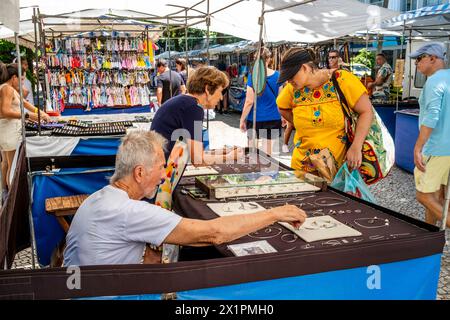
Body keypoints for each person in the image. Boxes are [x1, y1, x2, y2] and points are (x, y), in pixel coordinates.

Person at [63, 130, 306, 266]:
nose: (164, 174)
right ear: (139, 172)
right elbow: (213, 233)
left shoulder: (99, 197)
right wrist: (275, 214)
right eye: (160, 167)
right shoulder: (130, 212)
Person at [275, 48, 373, 177]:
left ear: (304, 68)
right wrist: (302, 124)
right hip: (302, 168)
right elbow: (281, 106)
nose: (289, 81)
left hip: (336, 169)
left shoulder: (341, 79)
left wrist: (356, 146)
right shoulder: (292, 89)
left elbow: (366, 112)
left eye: (291, 76)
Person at [151, 66, 240, 164]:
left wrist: (221, 153)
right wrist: (230, 157)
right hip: (160, 171)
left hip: (157, 166)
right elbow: (198, 160)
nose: (221, 98)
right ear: (207, 89)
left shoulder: (186, 103)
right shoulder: (194, 108)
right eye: (220, 92)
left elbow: (196, 152)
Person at [410, 43, 450, 228]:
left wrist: (418, 147)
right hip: (446, 147)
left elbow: (432, 116)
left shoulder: (434, 81)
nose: (416, 63)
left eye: (419, 58)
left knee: (424, 195)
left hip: (436, 147)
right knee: (440, 196)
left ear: (432, 58)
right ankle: (431, 235)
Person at [0, 63, 50, 194]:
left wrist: (41, 113)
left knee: (7, 163)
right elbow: (4, 111)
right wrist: (28, 116)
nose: (22, 82)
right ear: (14, 77)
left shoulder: (8, 89)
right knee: (12, 167)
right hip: (9, 130)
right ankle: (11, 199)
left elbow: (25, 103)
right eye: (21, 79)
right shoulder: (7, 89)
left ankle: (6, 196)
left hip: (8, 129)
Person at [239, 48, 283, 155]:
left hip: (255, 118)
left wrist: (242, 119)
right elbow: (280, 100)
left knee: (252, 153)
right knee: (267, 154)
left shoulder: (253, 76)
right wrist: (283, 117)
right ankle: (267, 171)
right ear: (269, 59)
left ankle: (253, 171)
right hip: (273, 118)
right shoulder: (278, 76)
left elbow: (249, 101)